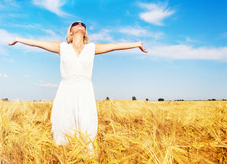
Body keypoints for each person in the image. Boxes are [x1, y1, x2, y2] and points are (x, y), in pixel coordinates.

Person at [8, 21, 147, 147]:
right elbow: (38, 43)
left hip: (85, 91)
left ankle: (86, 157)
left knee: (87, 125)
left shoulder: (92, 48)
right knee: (63, 125)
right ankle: (63, 155)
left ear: (85, 32)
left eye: (83, 24)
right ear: (70, 31)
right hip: (66, 90)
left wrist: (137, 44)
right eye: (76, 23)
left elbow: (115, 46)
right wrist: (19, 39)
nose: (80, 24)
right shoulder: (62, 47)